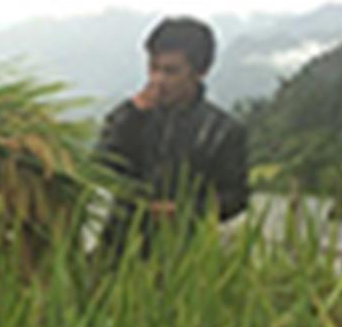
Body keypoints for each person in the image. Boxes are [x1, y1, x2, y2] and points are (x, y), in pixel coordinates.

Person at [94, 16, 248, 253]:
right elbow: (100, 167)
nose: (158, 80)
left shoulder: (222, 131)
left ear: (200, 72)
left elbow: (235, 197)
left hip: (184, 256)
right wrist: (131, 116)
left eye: (171, 71)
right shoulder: (131, 117)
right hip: (119, 249)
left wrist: (184, 211)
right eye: (153, 69)